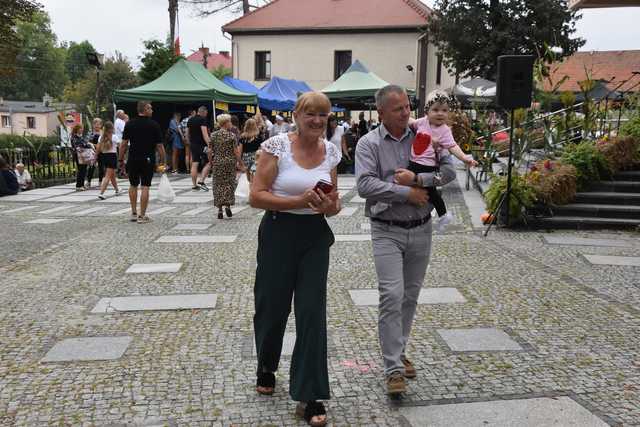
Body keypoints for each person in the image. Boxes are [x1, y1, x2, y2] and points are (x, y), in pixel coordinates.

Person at [355, 85, 456, 396]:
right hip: (386, 229)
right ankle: (393, 368)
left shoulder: (426, 134)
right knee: (391, 294)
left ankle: (398, 352)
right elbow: (364, 184)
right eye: (398, 109)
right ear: (381, 113)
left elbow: (449, 172)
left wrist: (418, 180)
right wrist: (404, 193)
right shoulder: (368, 143)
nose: (406, 112)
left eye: (407, 107)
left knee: (409, 297)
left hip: (422, 228)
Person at [250, 91, 341, 427]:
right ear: (297, 115)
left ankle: (311, 394)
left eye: (323, 115)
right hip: (277, 234)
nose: (317, 121)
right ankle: (266, 363)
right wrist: (299, 200)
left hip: (315, 238)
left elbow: (335, 201)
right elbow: (256, 197)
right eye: (310, 114)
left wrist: (328, 205)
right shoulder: (276, 147)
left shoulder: (330, 151)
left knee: (312, 314)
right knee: (272, 307)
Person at [371, 90, 478, 231]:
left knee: (403, 180)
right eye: (436, 110)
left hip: (428, 167)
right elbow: (410, 122)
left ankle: (386, 203)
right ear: (427, 111)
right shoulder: (422, 123)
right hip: (415, 162)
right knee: (427, 191)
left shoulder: (445, 131)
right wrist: (392, 117)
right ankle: (442, 215)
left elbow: (452, 146)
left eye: (444, 110)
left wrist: (465, 158)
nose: (440, 114)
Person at [118, 100, 166, 224]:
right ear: (144, 110)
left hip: (133, 158)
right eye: (150, 108)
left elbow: (123, 144)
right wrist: (163, 160)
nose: (152, 110)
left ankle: (134, 213)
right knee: (145, 186)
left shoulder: (129, 124)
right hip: (148, 159)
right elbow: (160, 146)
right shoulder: (154, 125)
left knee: (133, 185)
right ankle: (142, 215)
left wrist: (121, 159)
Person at [209, 114, 243, 219]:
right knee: (229, 184)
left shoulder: (213, 135)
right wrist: (240, 162)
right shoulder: (231, 136)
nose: (231, 124)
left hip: (218, 162)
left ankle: (220, 209)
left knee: (218, 185)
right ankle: (227, 206)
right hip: (229, 163)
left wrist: (211, 162)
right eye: (230, 122)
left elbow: (210, 151)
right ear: (226, 123)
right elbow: (236, 151)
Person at [187, 106, 212, 191]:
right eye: (206, 113)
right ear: (203, 112)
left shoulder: (190, 120)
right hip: (202, 146)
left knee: (194, 164)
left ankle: (194, 185)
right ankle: (201, 181)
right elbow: (205, 134)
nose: (206, 114)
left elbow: (187, 134)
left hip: (193, 145)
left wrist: (189, 142)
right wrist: (210, 145)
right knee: (210, 161)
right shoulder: (203, 120)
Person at [96, 121, 121, 199]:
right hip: (112, 156)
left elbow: (98, 149)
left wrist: (95, 156)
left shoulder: (101, 137)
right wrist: (121, 158)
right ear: (112, 128)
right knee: (107, 176)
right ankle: (101, 193)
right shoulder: (114, 137)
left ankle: (117, 189)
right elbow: (120, 147)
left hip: (104, 156)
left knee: (112, 175)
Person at [238, 118, 266, 182]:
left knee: (248, 173)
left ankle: (250, 184)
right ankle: (254, 185)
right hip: (256, 156)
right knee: (255, 173)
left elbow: (240, 150)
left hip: (246, 157)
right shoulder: (258, 136)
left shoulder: (243, 136)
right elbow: (261, 148)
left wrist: (239, 161)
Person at [71, 124, 96, 191]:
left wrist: (89, 144)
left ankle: (82, 184)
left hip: (83, 155)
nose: (82, 130)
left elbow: (85, 144)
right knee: (81, 170)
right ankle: (78, 185)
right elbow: (81, 145)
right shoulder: (74, 137)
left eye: (82, 128)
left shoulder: (81, 137)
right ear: (77, 129)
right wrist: (87, 144)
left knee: (84, 170)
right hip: (78, 155)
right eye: (80, 128)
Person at [90, 118, 103, 187]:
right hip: (93, 152)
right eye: (95, 124)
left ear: (101, 125)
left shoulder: (103, 132)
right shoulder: (91, 133)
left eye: (98, 124)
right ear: (93, 125)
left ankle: (100, 181)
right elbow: (89, 143)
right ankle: (88, 181)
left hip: (102, 152)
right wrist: (96, 146)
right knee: (92, 167)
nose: (97, 126)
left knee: (101, 167)